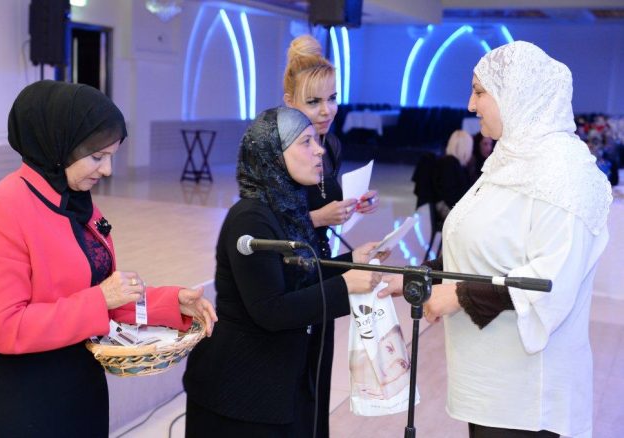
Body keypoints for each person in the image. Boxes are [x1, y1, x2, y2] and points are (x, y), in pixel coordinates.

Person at [381, 41, 612, 437]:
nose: (471, 105)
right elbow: (483, 249)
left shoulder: (567, 174)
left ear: (517, 92)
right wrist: (419, 277)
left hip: (530, 397)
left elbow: (549, 280)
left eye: (479, 91)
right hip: (490, 382)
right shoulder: (507, 162)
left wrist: (457, 295)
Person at [0, 80, 217, 437]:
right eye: (97, 157)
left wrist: (171, 302)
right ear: (59, 145)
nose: (107, 170)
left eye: (112, 156)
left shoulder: (77, 203)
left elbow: (101, 296)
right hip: (20, 398)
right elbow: (4, 327)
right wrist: (100, 299)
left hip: (79, 385)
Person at [183, 107, 385, 437]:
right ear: (275, 155)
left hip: (274, 380)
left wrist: (353, 261)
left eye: (316, 141)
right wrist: (345, 286)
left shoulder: (287, 208)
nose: (319, 150)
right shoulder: (251, 218)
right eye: (306, 142)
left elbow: (301, 278)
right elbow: (271, 309)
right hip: (239, 391)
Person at [282, 35, 379, 436]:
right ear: (289, 102)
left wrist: (355, 203)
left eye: (333, 99)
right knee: (292, 380)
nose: (327, 111)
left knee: (319, 374)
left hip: (322, 268)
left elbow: (329, 202)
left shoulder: (331, 146)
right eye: (314, 102)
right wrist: (318, 217)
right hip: (287, 276)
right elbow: (266, 226)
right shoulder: (276, 153)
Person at [432, 129, 473, 224]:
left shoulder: (452, 164)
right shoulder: (450, 164)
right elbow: (450, 195)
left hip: (452, 208)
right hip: (450, 211)